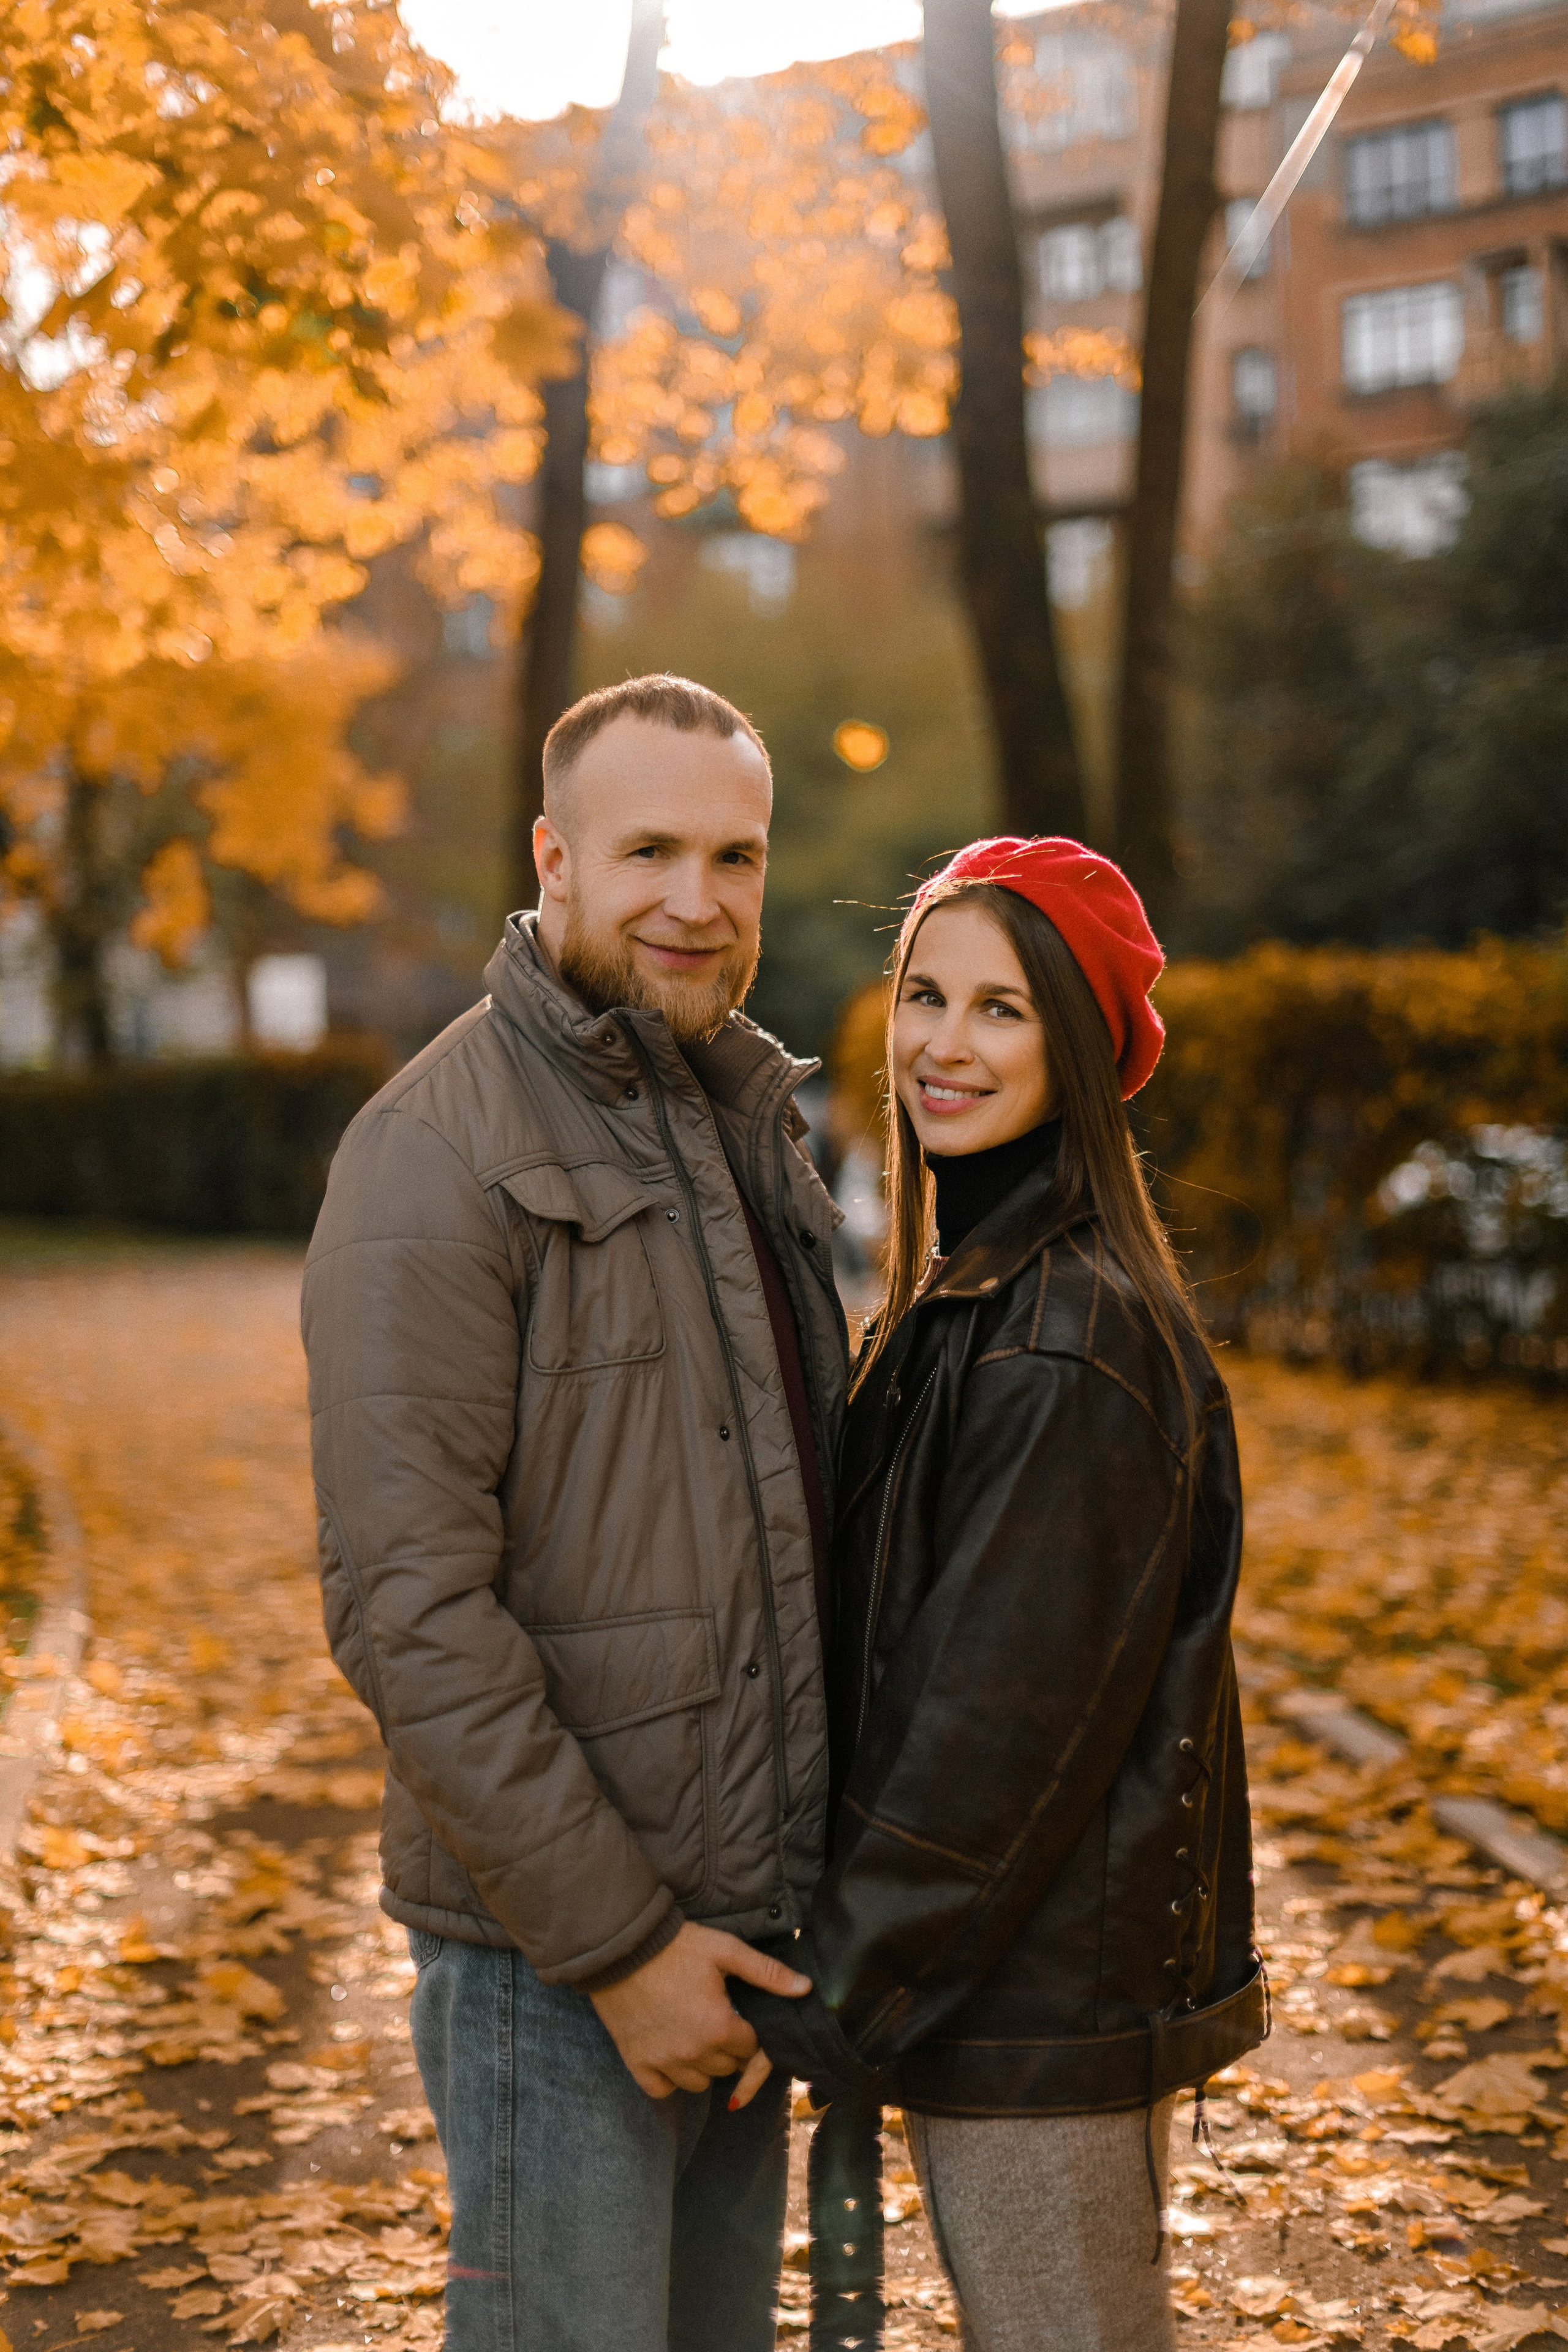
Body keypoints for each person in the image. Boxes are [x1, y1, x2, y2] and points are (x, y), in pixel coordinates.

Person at [300, 674, 850, 2351]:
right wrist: (621, 1949)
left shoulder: (744, 1126)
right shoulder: (436, 1151)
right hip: (558, 1972)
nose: (700, 900)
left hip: (746, 1948)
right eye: (653, 851)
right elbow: (408, 1609)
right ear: (555, 857)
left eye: (738, 856)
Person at [737, 835, 1267, 2352]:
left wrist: (822, 1992)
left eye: (1001, 1010)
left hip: (1035, 1995)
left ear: (1081, 1051)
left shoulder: (1062, 1338)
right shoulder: (969, 1300)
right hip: (996, 1981)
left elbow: (990, 1731)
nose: (943, 1048)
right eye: (924, 997)